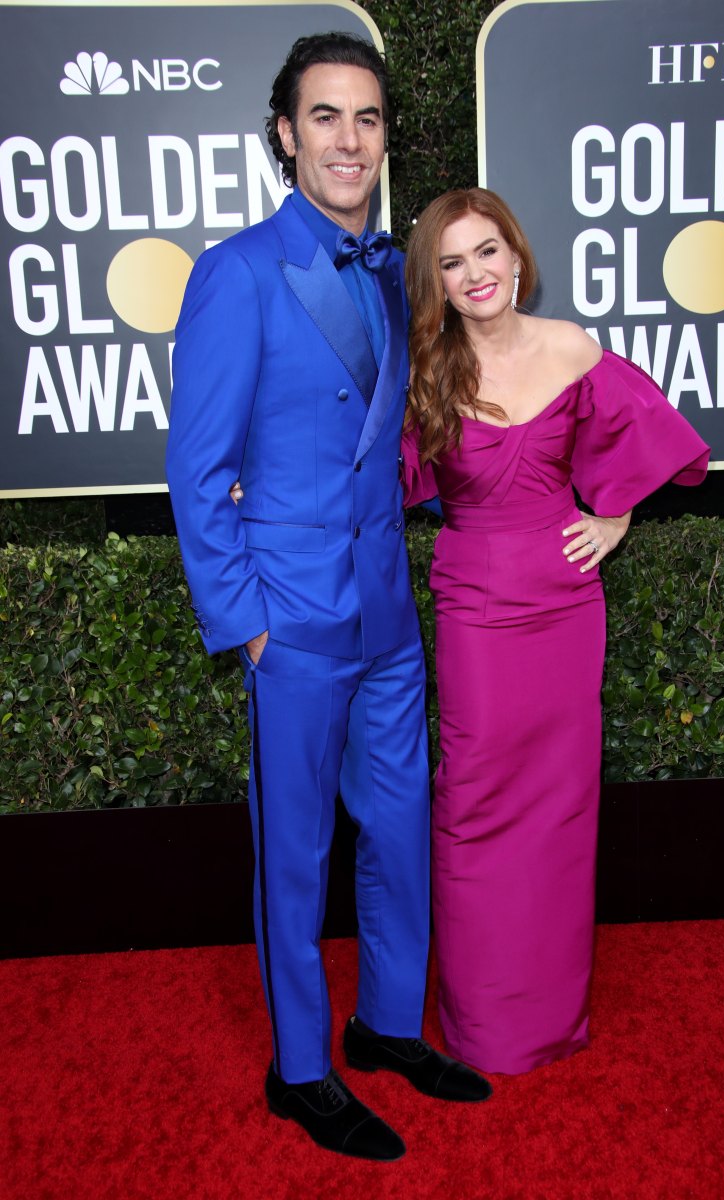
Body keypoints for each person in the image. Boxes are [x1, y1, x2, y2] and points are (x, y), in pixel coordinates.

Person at [166, 35, 490, 1163]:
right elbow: (197, 473)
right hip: (292, 621)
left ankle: (385, 1024)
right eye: (324, 116)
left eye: (367, 118)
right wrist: (247, 625)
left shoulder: (398, 272)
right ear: (284, 134)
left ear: (384, 136)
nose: (348, 140)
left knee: (398, 829)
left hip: (386, 613)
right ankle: (299, 1068)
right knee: (295, 855)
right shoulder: (238, 272)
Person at [401, 188, 710, 1075]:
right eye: (452, 262)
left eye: (486, 251)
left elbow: (646, 435)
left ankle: (549, 1012)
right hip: (476, 608)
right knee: (473, 805)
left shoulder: (572, 346)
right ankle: (484, 1021)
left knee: (561, 808)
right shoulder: (427, 371)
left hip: (567, 605)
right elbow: (358, 466)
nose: (475, 273)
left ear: (515, 255)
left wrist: (615, 514)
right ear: (436, 282)